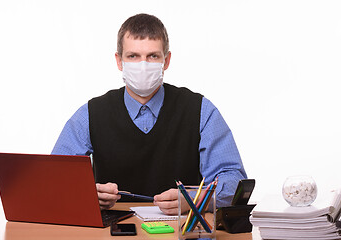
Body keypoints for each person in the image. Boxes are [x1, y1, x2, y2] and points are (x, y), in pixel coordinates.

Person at [52, 13, 247, 215]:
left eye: (153, 56)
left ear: (166, 60)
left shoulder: (201, 111)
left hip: (181, 230)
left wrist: (196, 201)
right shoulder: (90, 114)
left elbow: (234, 180)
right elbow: (54, 178)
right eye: (133, 56)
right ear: (119, 61)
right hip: (114, 232)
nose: (143, 65)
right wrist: (86, 194)